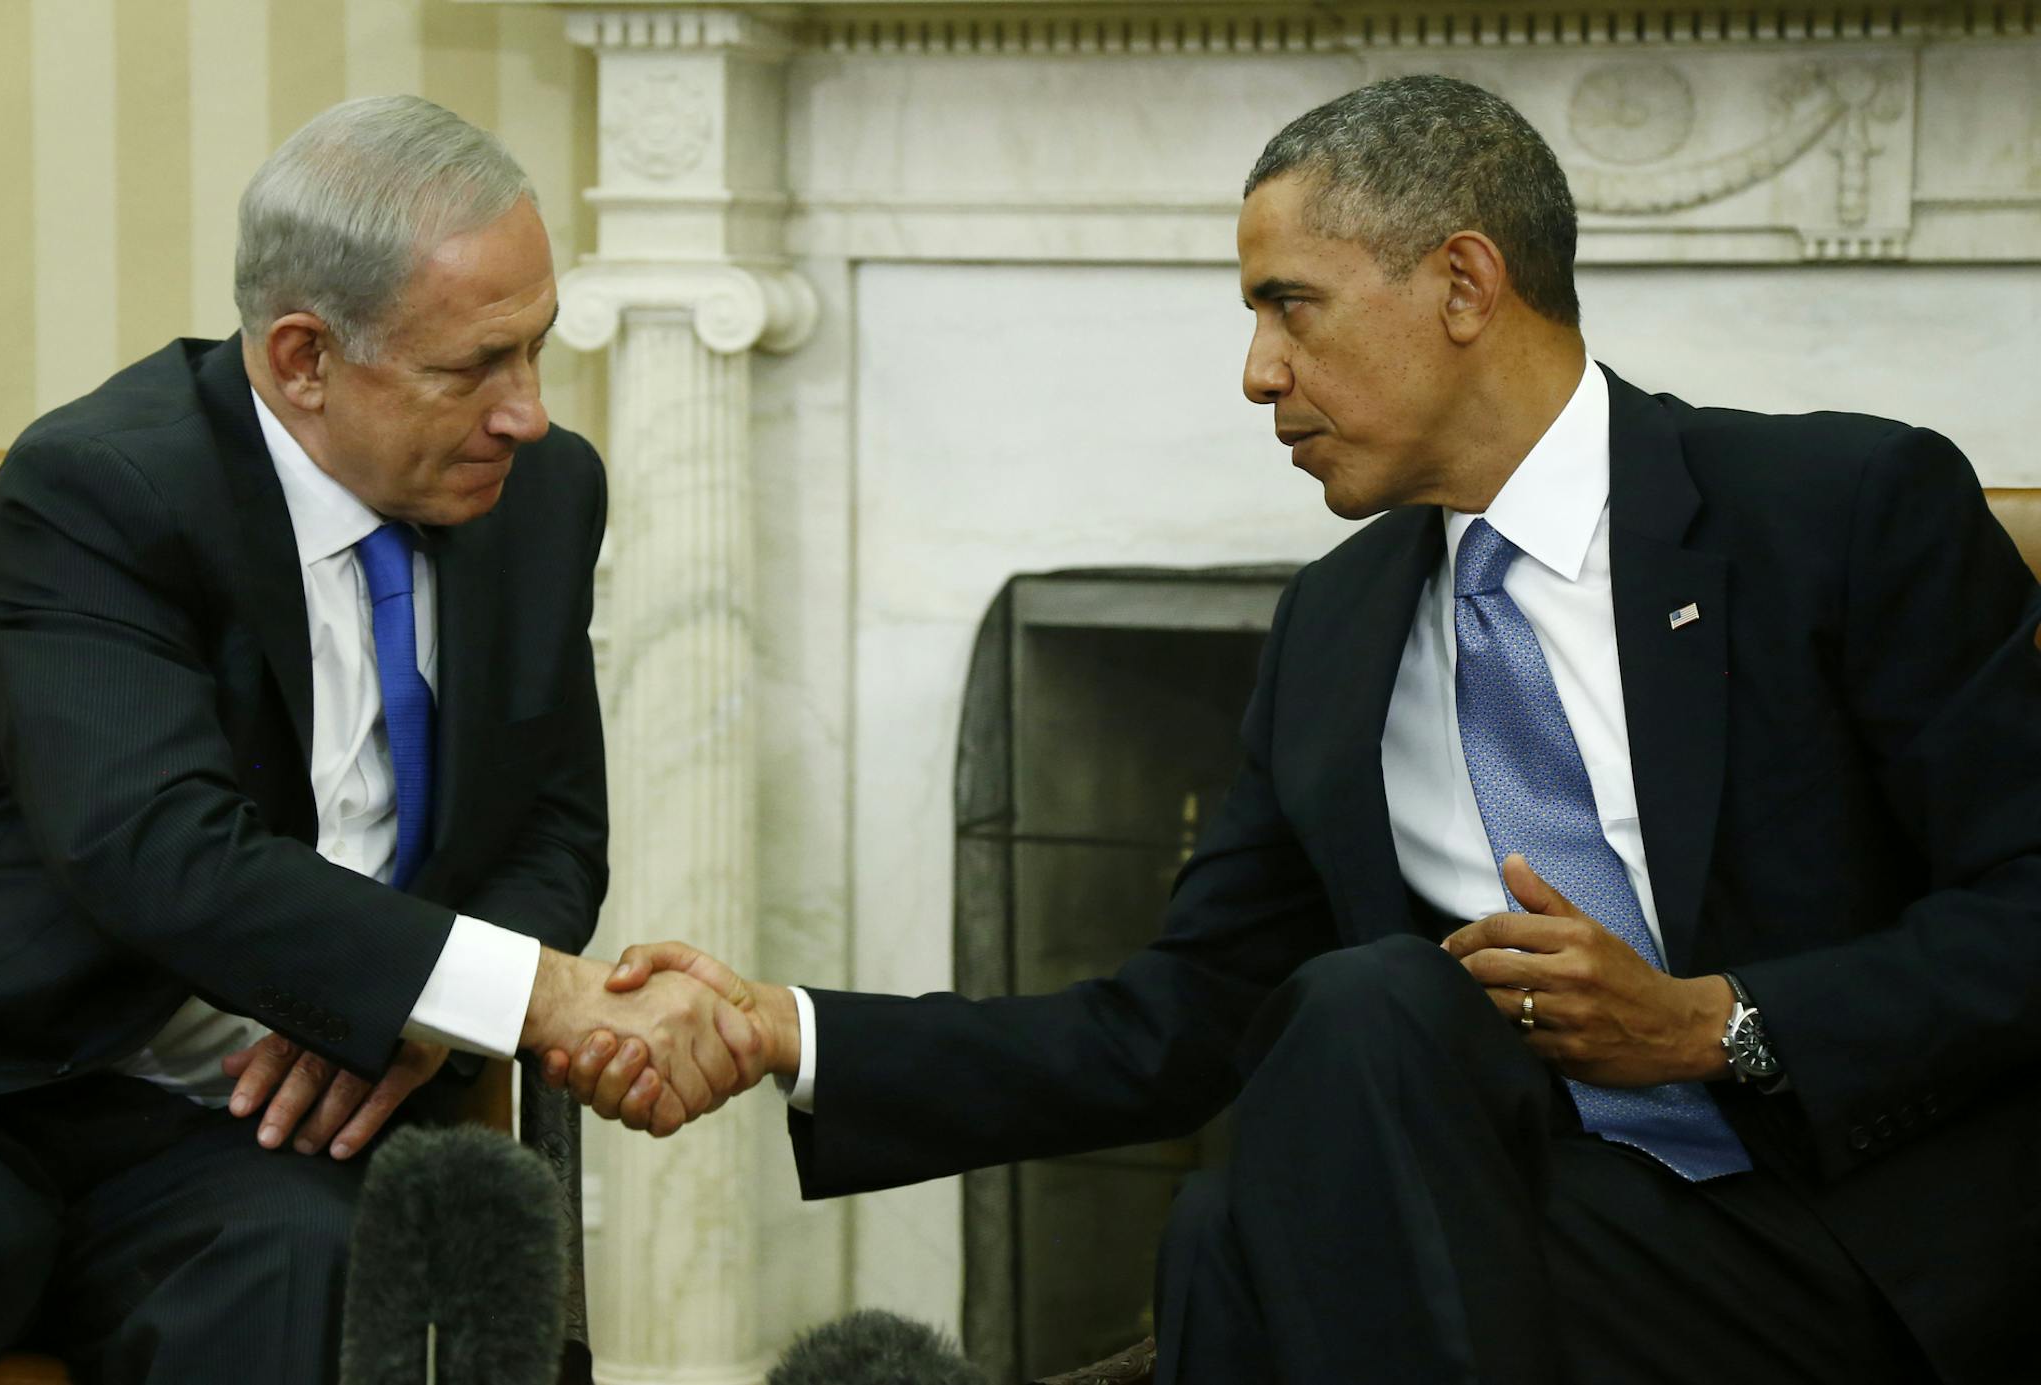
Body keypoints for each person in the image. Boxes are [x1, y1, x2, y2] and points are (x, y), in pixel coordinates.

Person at [576, 76, 2041, 1383]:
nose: (1258, 372)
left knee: (1277, 1168)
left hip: (1843, 1234)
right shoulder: (1340, 627)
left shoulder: (1838, 514)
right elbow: (1178, 1019)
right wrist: (789, 1027)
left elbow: (2024, 908)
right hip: (1541, 1228)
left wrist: (1715, 1023)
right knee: (1312, 1095)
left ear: (1464, 281)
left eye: (1290, 304)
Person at [0, 96, 756, 1385]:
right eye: (475, 367)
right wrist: (528, 992)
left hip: (258, 1124)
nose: (526, 412)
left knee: (314, 1282)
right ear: (303, 359)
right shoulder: (100, 492)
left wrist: (430, 1017)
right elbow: (164, 853)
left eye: (537, 352)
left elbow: (554, 825)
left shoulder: (540, 495)